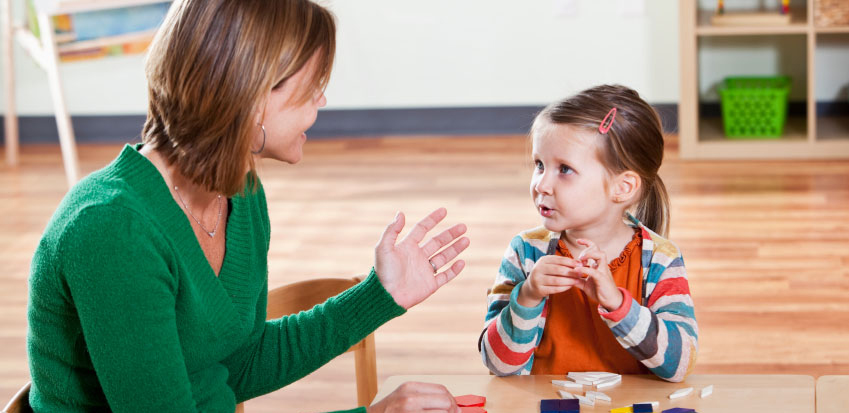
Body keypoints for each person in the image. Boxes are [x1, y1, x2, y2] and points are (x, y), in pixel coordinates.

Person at [26, 0, 469, 412]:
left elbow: (235, 364)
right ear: (253, 94)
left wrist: (379, 295)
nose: (323, 100)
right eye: (313, 86)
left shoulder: (241, 194)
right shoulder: (112, 230)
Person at [478, 85, 697, 382]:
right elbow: (497, 365)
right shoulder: (524, 252)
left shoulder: (661, 260)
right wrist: (527, 296)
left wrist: (619, 305)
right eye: (540, 165)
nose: (541, 184)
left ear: (623, 187)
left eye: (564, 169)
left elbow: (679, 365)